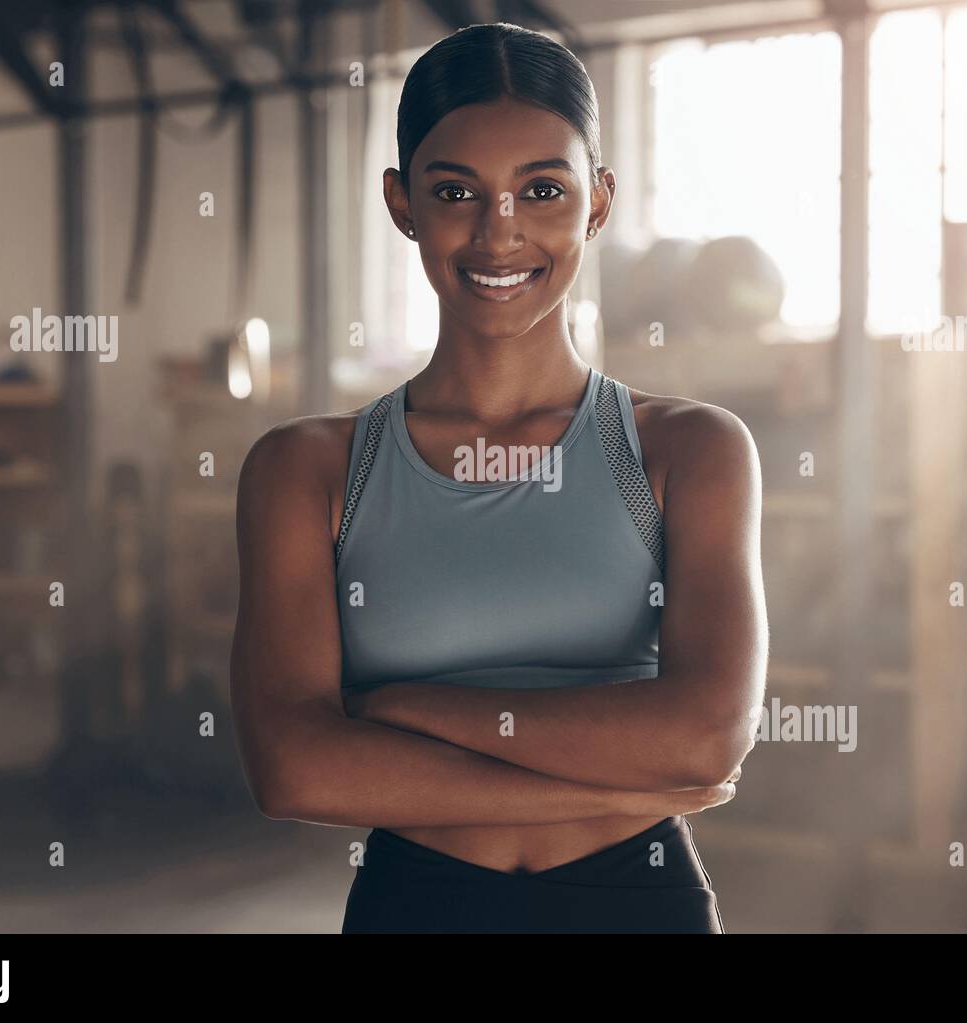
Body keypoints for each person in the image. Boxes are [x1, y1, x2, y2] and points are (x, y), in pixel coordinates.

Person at [230, 22, 767, 934]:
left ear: (596, 204)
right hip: (420, 907)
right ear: (402, 204)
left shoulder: (689, 451)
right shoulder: (307, 469)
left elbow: (707, 736)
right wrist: (628, 776)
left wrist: (401, 711)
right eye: (455, 191)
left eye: (542, 190)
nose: (500, 232)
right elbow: (295, 770)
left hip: (638, 907)